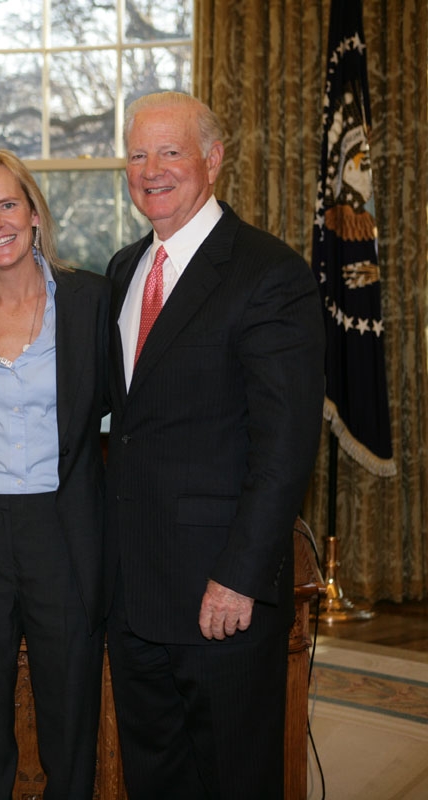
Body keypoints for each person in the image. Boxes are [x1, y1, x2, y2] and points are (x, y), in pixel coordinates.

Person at [104, 92, 324, 799]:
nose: (152, 170)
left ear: (214, 159)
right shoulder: (123, 269)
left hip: (218, 598)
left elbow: (285, 445)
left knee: (232, 780)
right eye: (138, 154)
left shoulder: (269, 274)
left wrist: (238, 575)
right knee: (155, 777)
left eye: (171, 152)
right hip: (133, 594)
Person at [0, 150, 110, 799]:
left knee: (70, 720)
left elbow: (136, 413)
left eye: (8, 204)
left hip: (62, 531)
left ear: (34, 212)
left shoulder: (91, 300)